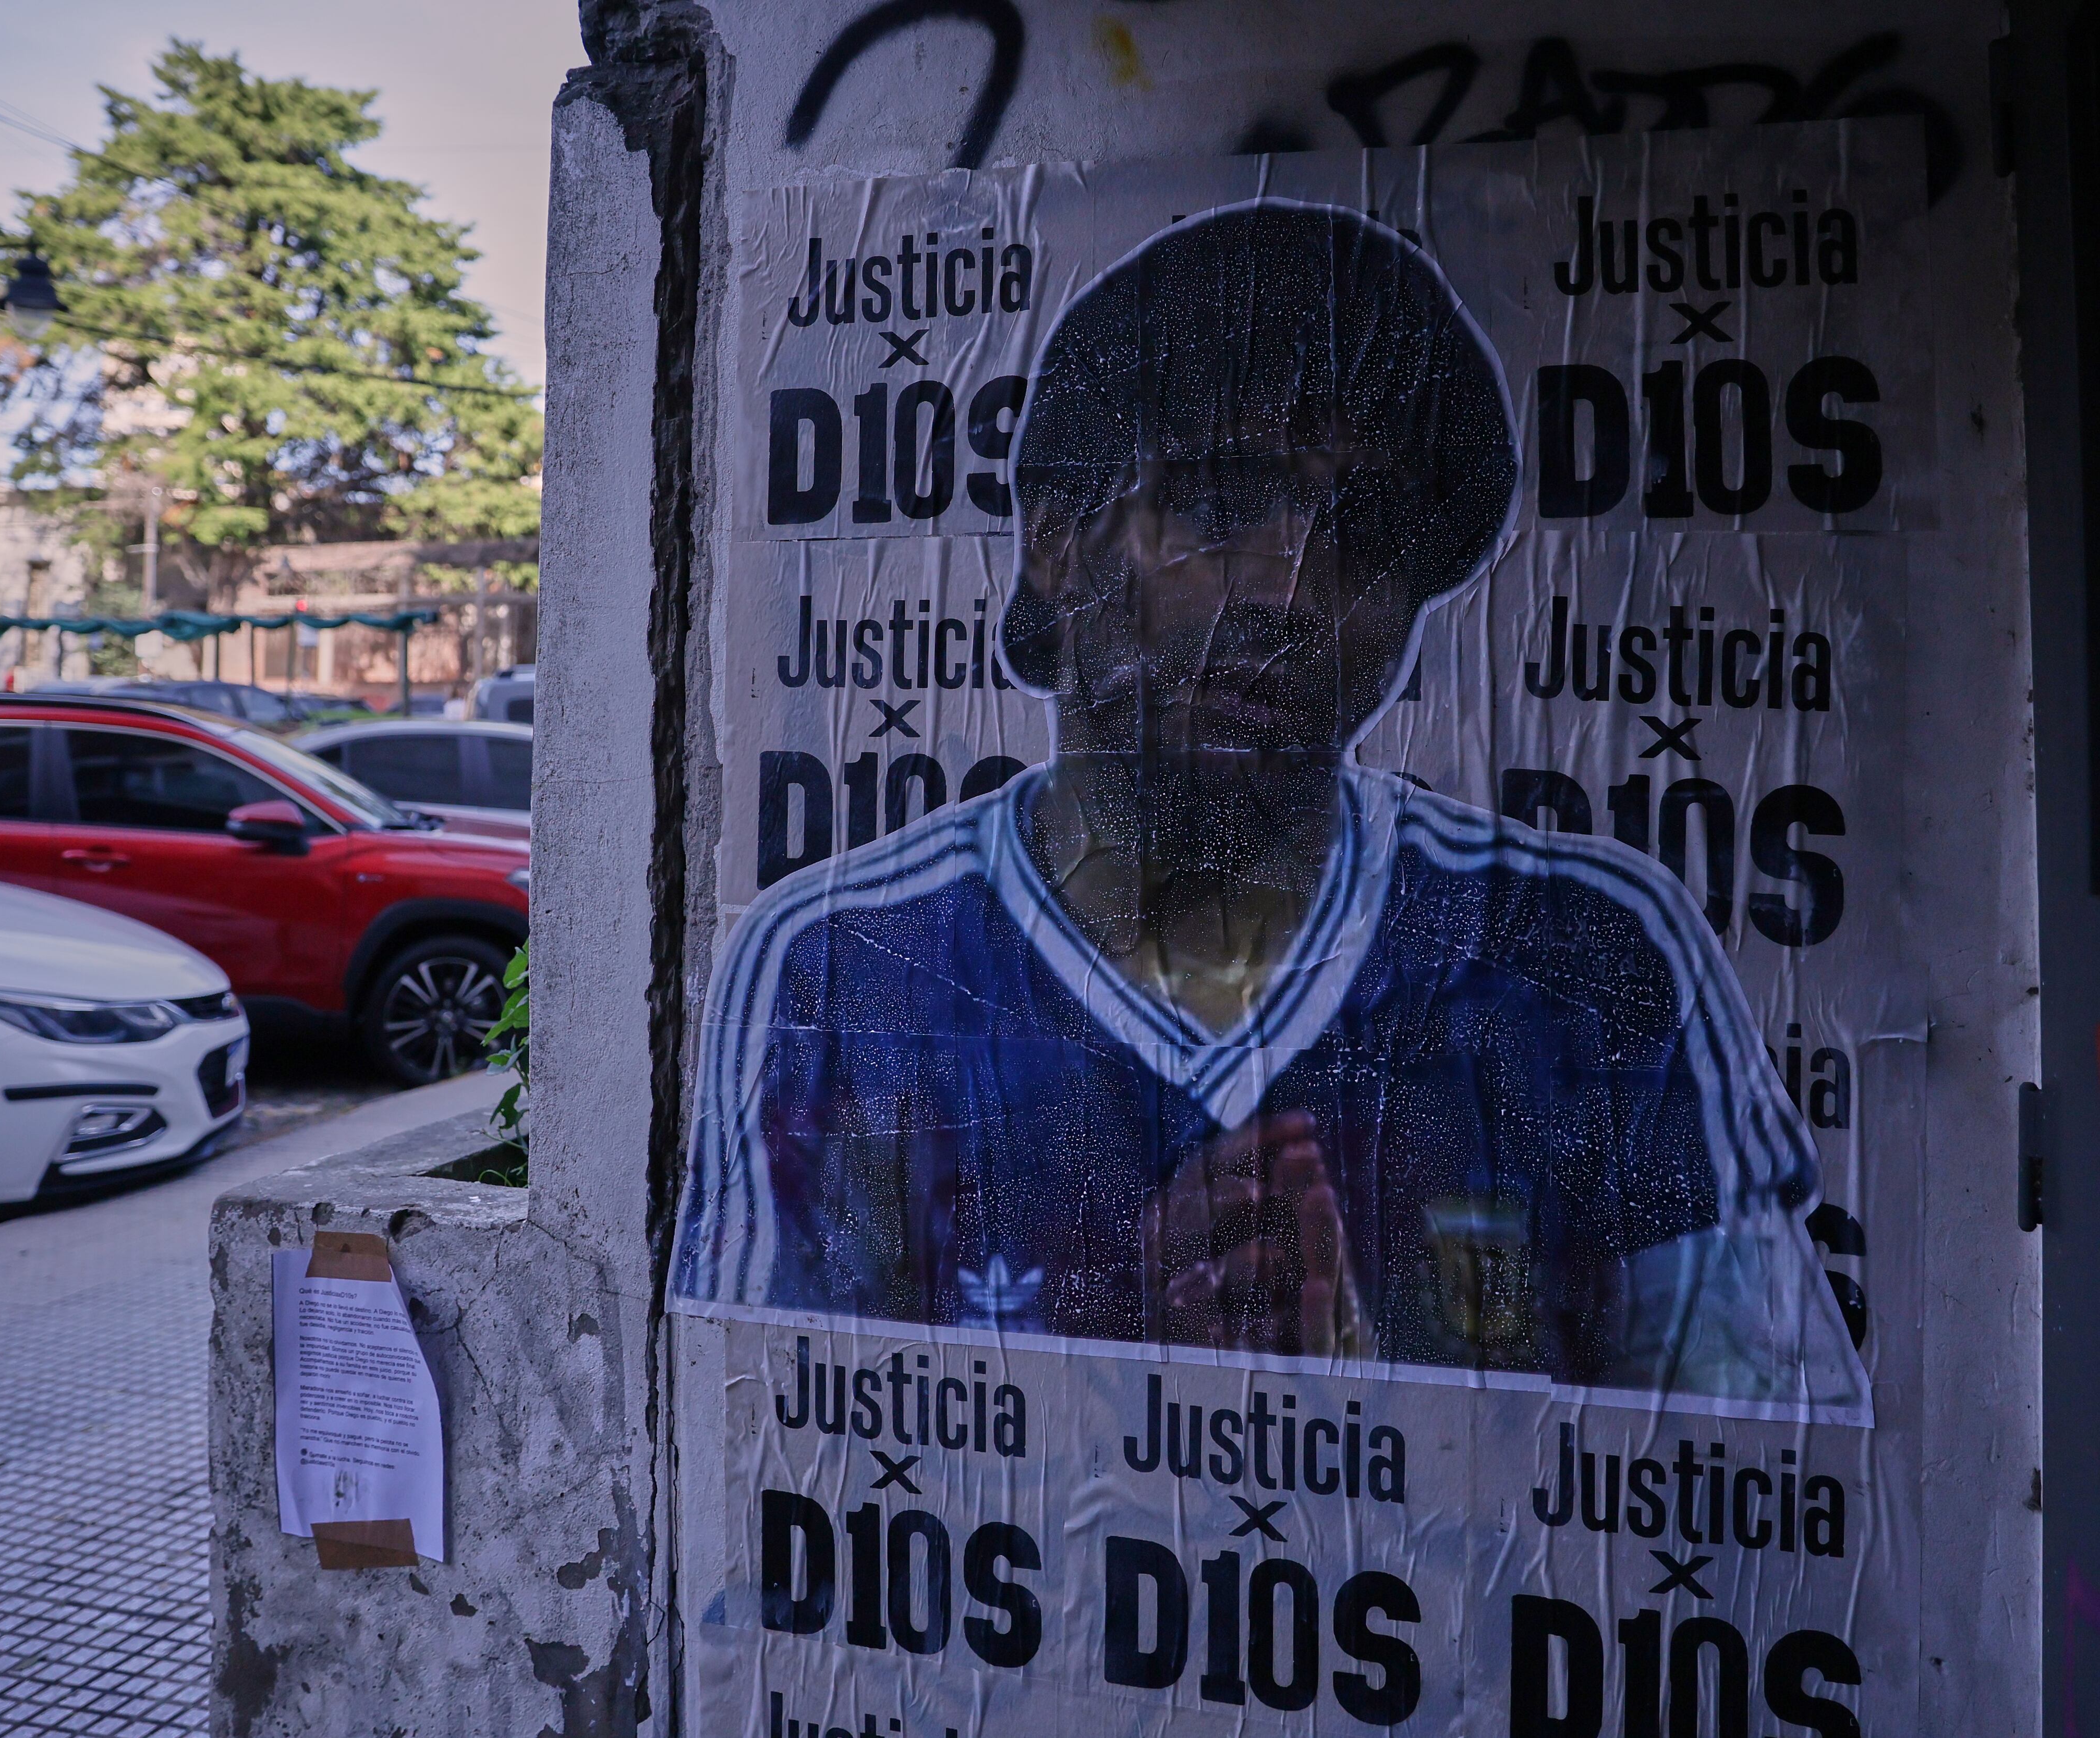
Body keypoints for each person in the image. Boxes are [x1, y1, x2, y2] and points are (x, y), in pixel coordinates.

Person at [672, 202, 1864, 1410]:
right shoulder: (841, 968)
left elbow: (1764, 1489)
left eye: (1365, 534)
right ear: (1059, 540)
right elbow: (767, 1459)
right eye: (1220, 505)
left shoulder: (1586, 954)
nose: (1294, 592)